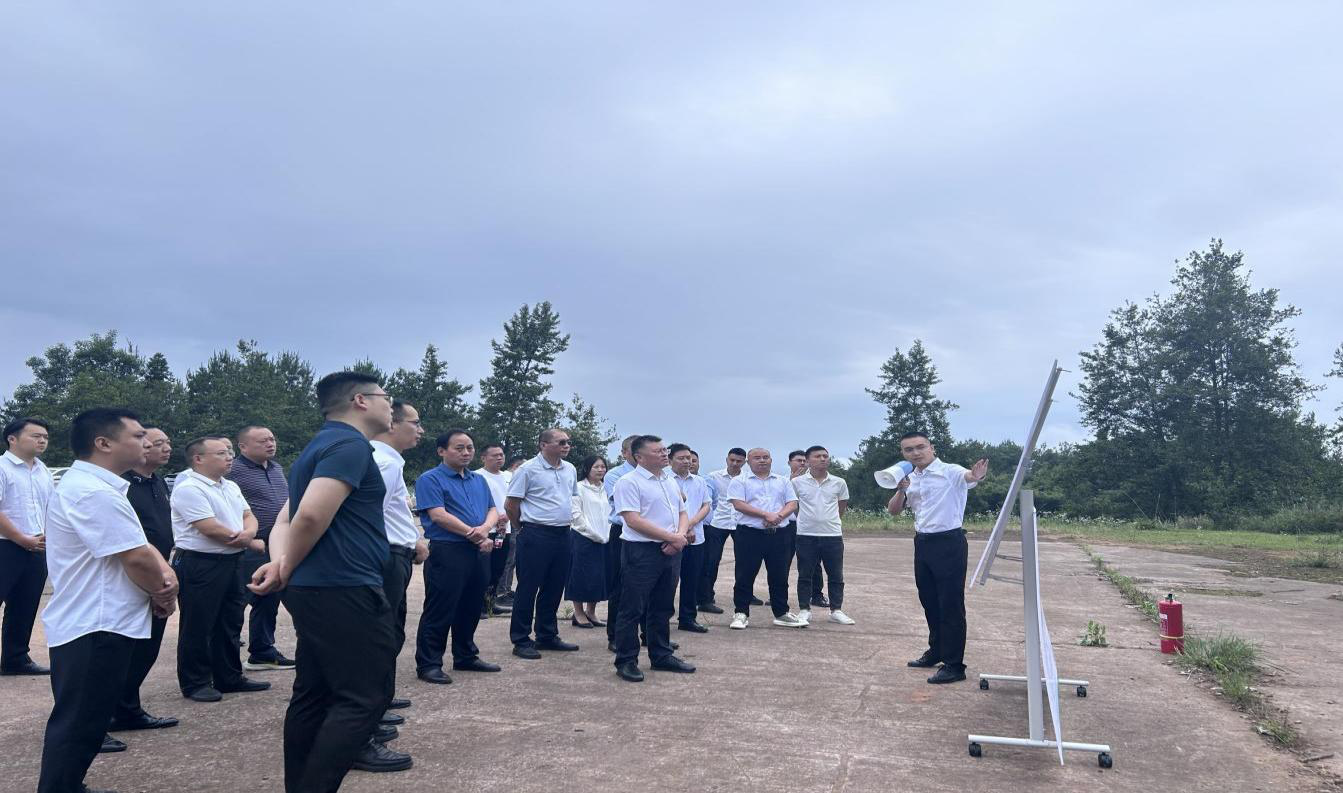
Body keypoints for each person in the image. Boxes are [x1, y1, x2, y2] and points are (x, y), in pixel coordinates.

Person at [248, 371, 410, 786]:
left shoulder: (319, 446)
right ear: (360, 400)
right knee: (365, 697)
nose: (390, 406)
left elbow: (285, 519)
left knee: (315, 694)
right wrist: (285, 565)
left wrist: (281, 562)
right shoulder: (349, 445)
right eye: (385, 396)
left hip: (319, 588)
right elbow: (308, 516)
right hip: (344, 587)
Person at [37, 408, 178, 793]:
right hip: (96, 623)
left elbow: (139, 546)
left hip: (98, 620)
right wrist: (163, 591)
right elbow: (135, 557)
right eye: (137, 436)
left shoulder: (97, 487)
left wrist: (165, 575)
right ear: (103, 443)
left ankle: (67, 785)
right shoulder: (93, 492)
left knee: (87, 720)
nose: (146, 442)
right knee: (79, 725)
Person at [170, 437, 270, 701]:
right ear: (198, 459)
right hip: (201, 563)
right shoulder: (189, 488)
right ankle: (195, 682)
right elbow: (209, 527)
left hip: (232, 560)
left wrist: (248, 534)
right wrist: (249, 540)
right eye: (221, 453)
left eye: (229, 452)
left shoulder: (230, 485)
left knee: (230, 620)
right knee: (199, 624)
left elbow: (248, 515)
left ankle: (229, 677)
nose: (229, 457)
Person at [886, 431, 988, 685]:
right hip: (922, 542)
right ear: (903, 453)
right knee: (929, 600)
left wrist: (976, 475)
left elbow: (969, 477)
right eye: (909, 449)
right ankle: (937, 650)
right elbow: (894, 511)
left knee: (950, 604)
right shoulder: (910, 478)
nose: (916, 453)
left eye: (920, 447)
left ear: (932, 447)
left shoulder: (950, 471)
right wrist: (901, 490)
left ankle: (954, 665)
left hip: (949, 542)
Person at [413, 429, 502, 683]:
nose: (466, 453)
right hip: (448, 550)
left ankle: (465, 655)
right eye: (459, 448)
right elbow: (438, 515)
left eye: (470, 448)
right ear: (442, 451)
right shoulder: (430, 479)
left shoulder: (478, 480)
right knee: (441, 607)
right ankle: (429, 663)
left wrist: (484, 529)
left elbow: (492, 509)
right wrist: (472, 533)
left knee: (471, 605)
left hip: (479, 550)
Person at [610, 435, 695, 682]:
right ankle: (626, 660)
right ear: (639, 457)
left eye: (664, 450)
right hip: (641, 551)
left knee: (662, 606)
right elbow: (633, 520)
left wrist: (678, 537)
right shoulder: (628, 482)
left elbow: (682, 512)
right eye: (658, 451)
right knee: (632, 608)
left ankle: (661, 655)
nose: (664, 454)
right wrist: (673, 537)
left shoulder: (668, 480)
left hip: (671, 550)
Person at [113, 426, 179, 732]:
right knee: (125, 648)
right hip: (134, 572)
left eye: (168, 442)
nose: (167, 448)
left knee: (147, 648)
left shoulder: (158, 482)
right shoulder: (121, 485)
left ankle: (128, 709)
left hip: (160, 569)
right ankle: (108, 714)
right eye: (158, 442)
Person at [369, 399, 428, 713]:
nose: (420, 430)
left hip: (397, 553)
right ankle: (373, 704)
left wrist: (414, 540)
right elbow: (370, 515)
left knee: (391, 628)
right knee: (383, 631)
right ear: (392, 424)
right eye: (415, 423)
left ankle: (381, 696)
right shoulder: (384, 462)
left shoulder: (391, 461)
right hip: (386, 555)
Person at [505, 428, 580, 659]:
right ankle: (521, 639)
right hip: (535, 533)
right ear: (543, 444)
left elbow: (570, 498)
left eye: (568, 442)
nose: (566, 446)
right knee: (528, 587)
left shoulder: (570, 469)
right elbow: (511, 504)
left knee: (554, 587)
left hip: (563, 534)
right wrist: (521, 528)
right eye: (561, 442)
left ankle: (547, 635)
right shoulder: (528, 469)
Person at [228, 425, 295, 671]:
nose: (270, 443)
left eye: (272, 439)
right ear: (243, 446)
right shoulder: (233, 470)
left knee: (270, 597)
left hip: (278, 542)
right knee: (245, 598)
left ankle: (262, 651)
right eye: (263, 441)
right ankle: (224, 658)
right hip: (252, 545)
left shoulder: (276, 468)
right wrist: (248, 539)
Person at [728, 449, 806, 630]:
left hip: (780, 534)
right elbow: (738, 504)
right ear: (748, 462)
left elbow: (792, 503)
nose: (762, 461)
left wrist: (778, 517)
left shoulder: (782, 481)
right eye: (757, 458)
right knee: (744, 574)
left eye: (765, 457)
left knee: (780, 575)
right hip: (749, 534)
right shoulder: (739, 481)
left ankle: (781, 612)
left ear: (771, 460)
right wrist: (766, 515)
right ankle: (741, 613)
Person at [0, 417, 54, 677]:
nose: (42, 440)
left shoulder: (43, 471)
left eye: (45, 437)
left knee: (25, 605)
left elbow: (50, 508)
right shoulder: (2, 468)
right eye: (36, 436)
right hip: (5, 546)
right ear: (12, 438)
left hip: (36, 548)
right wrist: (21, 538)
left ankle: (15, 659)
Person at [792, 445, 853, 627]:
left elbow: (841, 506)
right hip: (806, 534)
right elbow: (794, 506)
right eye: (818, 456)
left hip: (832, 535)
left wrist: (830, 521)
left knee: (836, 575)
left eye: (825, 456)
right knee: (805, 574)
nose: (823, 459)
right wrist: (806, 520)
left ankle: (836, 610)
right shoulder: (797, 482)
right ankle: (804, 609)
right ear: (808, 460)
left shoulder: (839, 482)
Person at [669, 445, 712, 633]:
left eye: (689, 458)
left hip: (696, 538)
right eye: (681, 458)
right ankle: (662, 619)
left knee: (691, 580)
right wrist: (683, 529)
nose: (687, 461)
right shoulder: (665, 480)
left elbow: (706, 506)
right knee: (668, 582)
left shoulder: (699, 481)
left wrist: (691, 524)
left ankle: (687, 618)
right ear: (670, 460)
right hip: (672, 538)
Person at [602, 434, 639, 651]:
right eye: (634, 449)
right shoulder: (615, 475)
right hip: (623, 531)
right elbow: (625, 505)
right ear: (625, 453)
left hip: (650, 534)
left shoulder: (658, 475)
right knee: (620, 585)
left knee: (649, 586)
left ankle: (648, 633)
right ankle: (615, 635)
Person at [698, 447, 746, 614]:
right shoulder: (713, 477)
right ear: (726, 459)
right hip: (717, 523)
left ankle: (745, 595)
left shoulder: (747, 478)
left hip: (740, 522)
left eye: (739, 461)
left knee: (745, 562)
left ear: (744, 462)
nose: (735, 463)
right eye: (732, 460)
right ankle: (706, 598)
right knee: (711, 562)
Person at [566, 456, 609, 629]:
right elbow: (576, 515)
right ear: (587, 469)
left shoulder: (605, 488)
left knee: (599, 577)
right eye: (596, 467)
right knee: (580, 575)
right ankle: (578, 612)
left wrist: (605, 534)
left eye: (603, 467)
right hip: (583, 537)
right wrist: (592, 533)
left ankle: (591, 611)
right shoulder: (578, 487)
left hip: (604, 538)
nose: (600, 470)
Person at [474, 443, 513, 617]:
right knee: (483, 569)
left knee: (498, 568)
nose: (499, 458)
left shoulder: (509, 476)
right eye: (494, 455)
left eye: (501, 455)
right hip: (485, 529)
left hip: (505, 530)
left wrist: (508, 516)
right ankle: (478, 605)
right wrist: (493, 519)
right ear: (483, 457)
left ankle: (490, 602)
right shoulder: (476, 476)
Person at [789, 449, 827, 608]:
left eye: (804, 461)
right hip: (788, 525)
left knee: (814, 563)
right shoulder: (783, 481)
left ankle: (817, 595)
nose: (802, 464)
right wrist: (791, 481)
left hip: (808, 527)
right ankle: (778, 594)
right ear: (789, 463)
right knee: (783, 561)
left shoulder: (814, 480)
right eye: (798, 460)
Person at [493, 455, 527, 604]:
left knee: (512, 559)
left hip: (510, 521)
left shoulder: (506, 477)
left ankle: (506, 589)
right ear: (516, 466)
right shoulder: (508, 477)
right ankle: (501, 592)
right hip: (506, 522)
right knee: (508, 559)